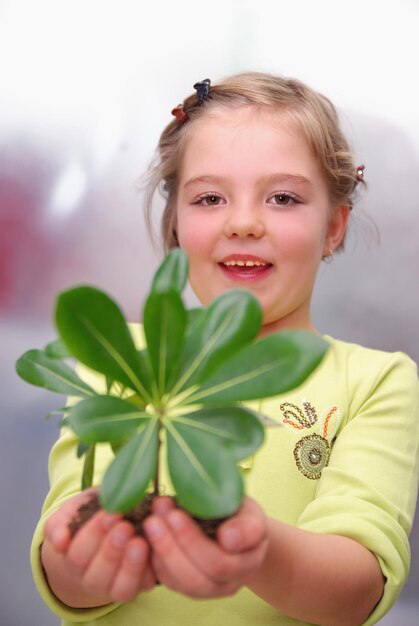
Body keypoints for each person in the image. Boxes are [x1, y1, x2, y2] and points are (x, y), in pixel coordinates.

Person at [31, 72, 419, 626]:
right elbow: (61, 560)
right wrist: (91, 557)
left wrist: (256, 547)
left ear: (333, 226)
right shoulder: (117, 357)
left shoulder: (378, 380)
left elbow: (359, 584)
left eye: (282, 197)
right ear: (177, 225)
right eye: (210, 198)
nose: (242, 222)